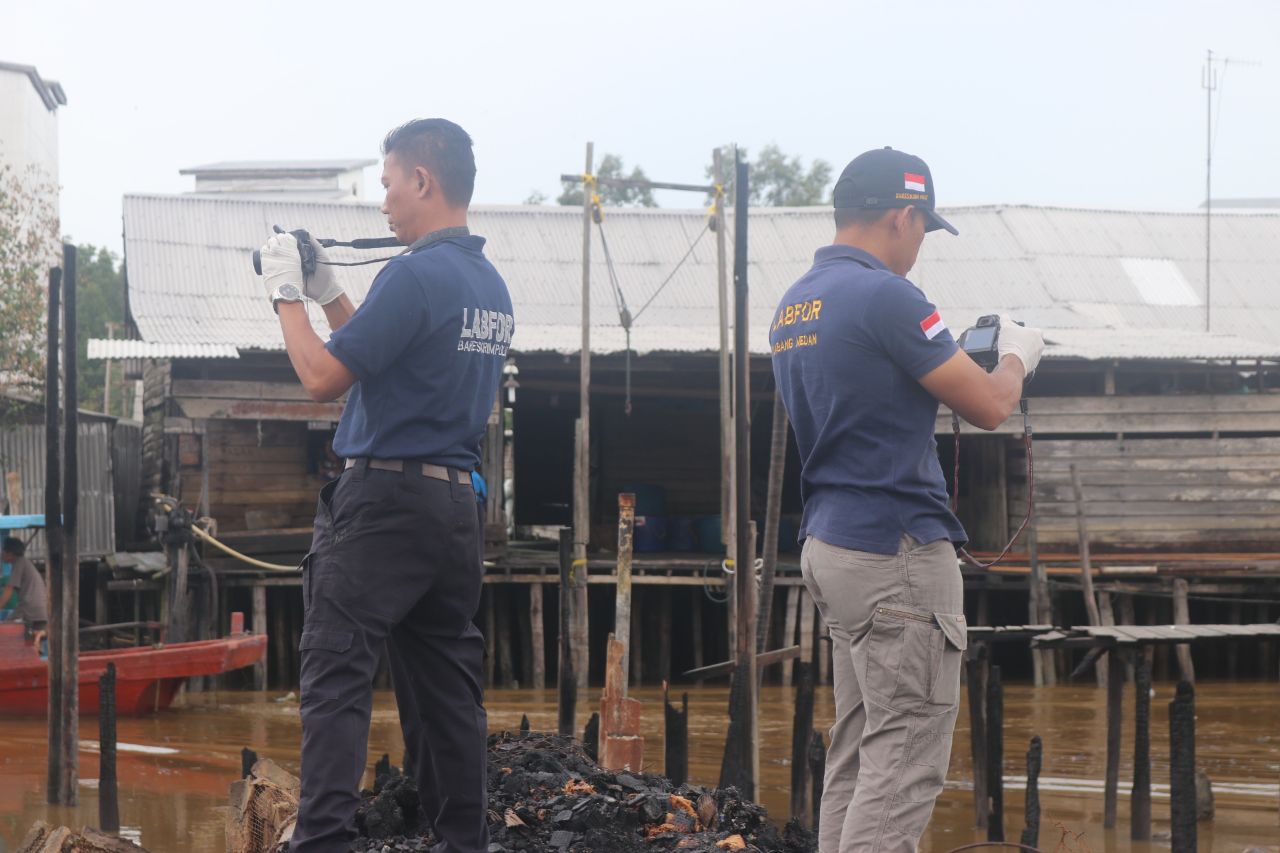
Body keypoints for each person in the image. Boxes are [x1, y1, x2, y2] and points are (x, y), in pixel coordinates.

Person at [769, 147, 1044, 853]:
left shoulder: (795, 303)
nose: (921, 244)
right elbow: (990, 404)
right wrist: (1018, 353)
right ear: (903, 215)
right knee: (905, 759)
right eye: (924, 228)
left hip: (832, 543)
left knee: (861, 746)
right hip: (897, 552)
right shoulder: (889, 297)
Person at [257, 118, 513, 853]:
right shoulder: (488, 285)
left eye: (389, 182)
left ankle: (323, 841)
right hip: (454, 507)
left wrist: (285, 293)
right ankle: (462, 841)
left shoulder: (413, 274)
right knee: (445, 690)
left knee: (336, 671)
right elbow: (382, 355)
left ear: (422, 181)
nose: (383, 202)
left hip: (383, 506)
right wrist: (331, 291)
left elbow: (321, 377)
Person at [0, 537, 48, 646]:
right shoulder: (25, 563)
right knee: (33, 641)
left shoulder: (19, 563)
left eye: (3, 550)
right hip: (41, 610)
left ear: (10, 553)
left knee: (5, 629)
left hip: (28, 607)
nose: (1, 553)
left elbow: (9, 589)